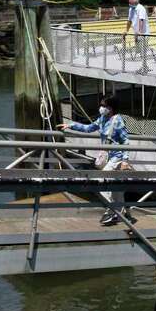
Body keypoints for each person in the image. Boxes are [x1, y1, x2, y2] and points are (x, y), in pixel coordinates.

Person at [57, 95, 131, 226]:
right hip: (107, 156)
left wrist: (125, 160)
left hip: (117, 157)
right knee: (116, 188)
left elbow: (125, 141)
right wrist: (70, 125)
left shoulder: (117, 120)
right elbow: (89, 128)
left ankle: (113, 211)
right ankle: (121, 212)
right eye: (101, 105)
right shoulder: (102, 119)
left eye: (104, 106)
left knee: (101, 182)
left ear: (111, 108)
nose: (101, 108)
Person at [123, 0, 150, 71]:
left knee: (143, 51)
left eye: (130, 3)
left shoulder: (140, 8)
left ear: (134, 3)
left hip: (143, 33)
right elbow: (129, 20)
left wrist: (140, 32)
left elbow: (141, 20)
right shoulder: (131, 9)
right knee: (139, 51)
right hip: (136, 33)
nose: (129, 4)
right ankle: (143, 66)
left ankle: (145, 67)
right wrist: (126, 30)